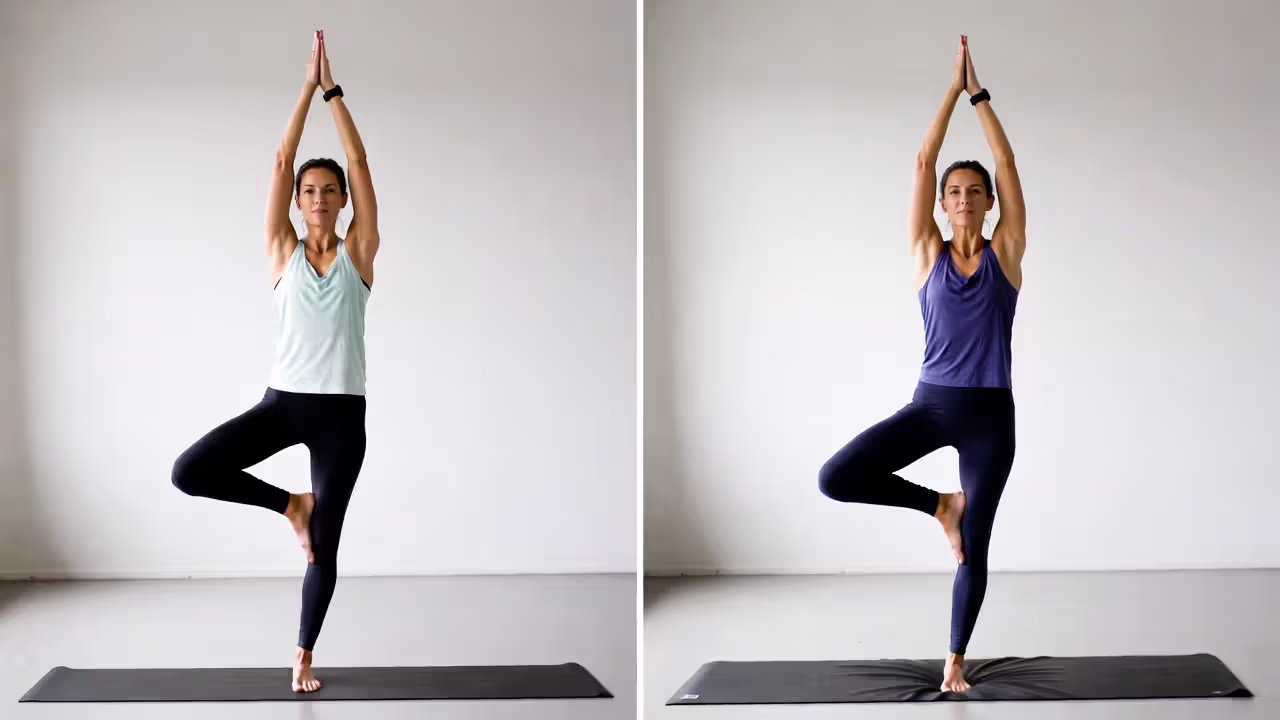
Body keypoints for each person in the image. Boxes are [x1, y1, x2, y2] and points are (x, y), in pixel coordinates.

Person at [170, 30, 380, 693]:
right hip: (283, 401)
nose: (318, 197)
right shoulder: (279, 251)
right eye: (308, 190)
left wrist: (335, 93)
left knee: (327, 543)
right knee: (190, 470)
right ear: (296, 201)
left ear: (342, 201)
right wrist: (304, 86)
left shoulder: (359, 255)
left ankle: (302, 654)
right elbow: (282, 154)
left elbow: (362, 159)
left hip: (342, 415)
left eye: (329, 190)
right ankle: (289, 502)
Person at [817, 35, 1026, 693]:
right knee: (837, 476)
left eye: (974, 191)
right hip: (930, 404)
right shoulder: (924, 251)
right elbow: (922, 158)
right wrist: (950, 89)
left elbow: (1007, 158)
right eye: (953, 192)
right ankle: (939, 504)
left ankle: (956, 660)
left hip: (991, 417)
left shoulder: (1007, 253)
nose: (963, 198)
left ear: (989, 203)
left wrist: (980, 97)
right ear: (941, 203)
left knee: (980, 545)